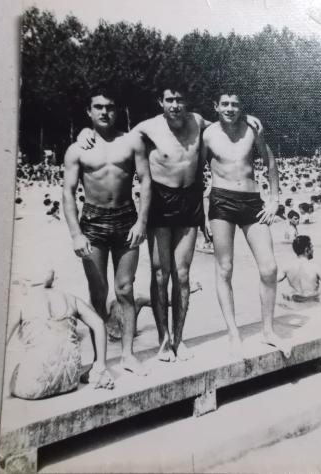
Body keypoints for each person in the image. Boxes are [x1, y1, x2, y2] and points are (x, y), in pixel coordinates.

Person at [78, 85, 262, 363]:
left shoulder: (198, 121)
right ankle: (163, 340)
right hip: (161, 201)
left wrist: (247, 118)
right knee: (160, 274)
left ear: (187, 102)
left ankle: (179, 339)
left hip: (191, 201)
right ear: (160, 102)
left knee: (183, 275)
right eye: (169, 100)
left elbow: (225, 122)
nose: (175, 105)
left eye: (179, 100)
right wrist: (86, 131)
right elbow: (114, 138)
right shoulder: (148, 128)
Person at [62, 90, 151, 375]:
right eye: (98, 107)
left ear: (117, 110)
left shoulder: (131, 142)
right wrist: (76, 234)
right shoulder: (77, 149)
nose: (104, 112)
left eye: (109, 107)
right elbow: (68, 193)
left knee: (125, 289)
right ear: (89, 111)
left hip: (126, 218)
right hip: (93, 221)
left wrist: (142, 223)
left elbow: (146, 182)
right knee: (98, 293)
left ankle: (127, 355)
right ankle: (99, 361)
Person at [201, 92, 291, 358]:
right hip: (221, 201)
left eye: (235, 104)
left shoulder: (252, 129)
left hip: (252, 201)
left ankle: (268, 331)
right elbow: (195, 175)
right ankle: (233, 333)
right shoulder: (208, 135)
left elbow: (270, 161)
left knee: (269, 267)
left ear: (241, 107)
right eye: (225, 104)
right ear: (216, 106)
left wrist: (274, 200)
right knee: (225, 268)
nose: (230, 108)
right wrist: (201, 215)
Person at [6, 268, 114, 400]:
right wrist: (100, 366)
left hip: (34, 387)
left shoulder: (22, 304)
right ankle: (99, 373)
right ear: (53, 281)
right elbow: (99, 324)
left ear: (25, 284)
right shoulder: (71, 299)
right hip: (70, 382)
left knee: (15, 374)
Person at [278, 235, 321, 305]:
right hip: (312, 304)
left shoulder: (287, 267)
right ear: (307, 250)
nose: (313, 250)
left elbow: (272, 281)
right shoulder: (315, 267)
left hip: (295, 304)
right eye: (312, 247)